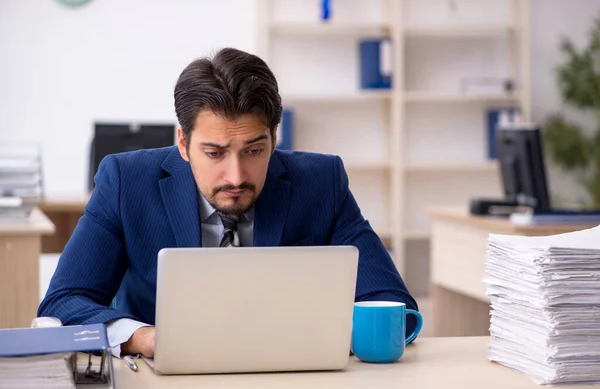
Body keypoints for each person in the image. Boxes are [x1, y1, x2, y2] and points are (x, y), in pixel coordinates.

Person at [38, 47, 419, 359]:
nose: (236, 176)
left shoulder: (322, 182)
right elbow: (64, 302)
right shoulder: (126, 181)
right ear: (184, 145)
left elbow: (393, 307)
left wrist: (318, 336)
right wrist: (146, 339)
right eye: (215, 153)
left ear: (274, 136)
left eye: (254, 150)